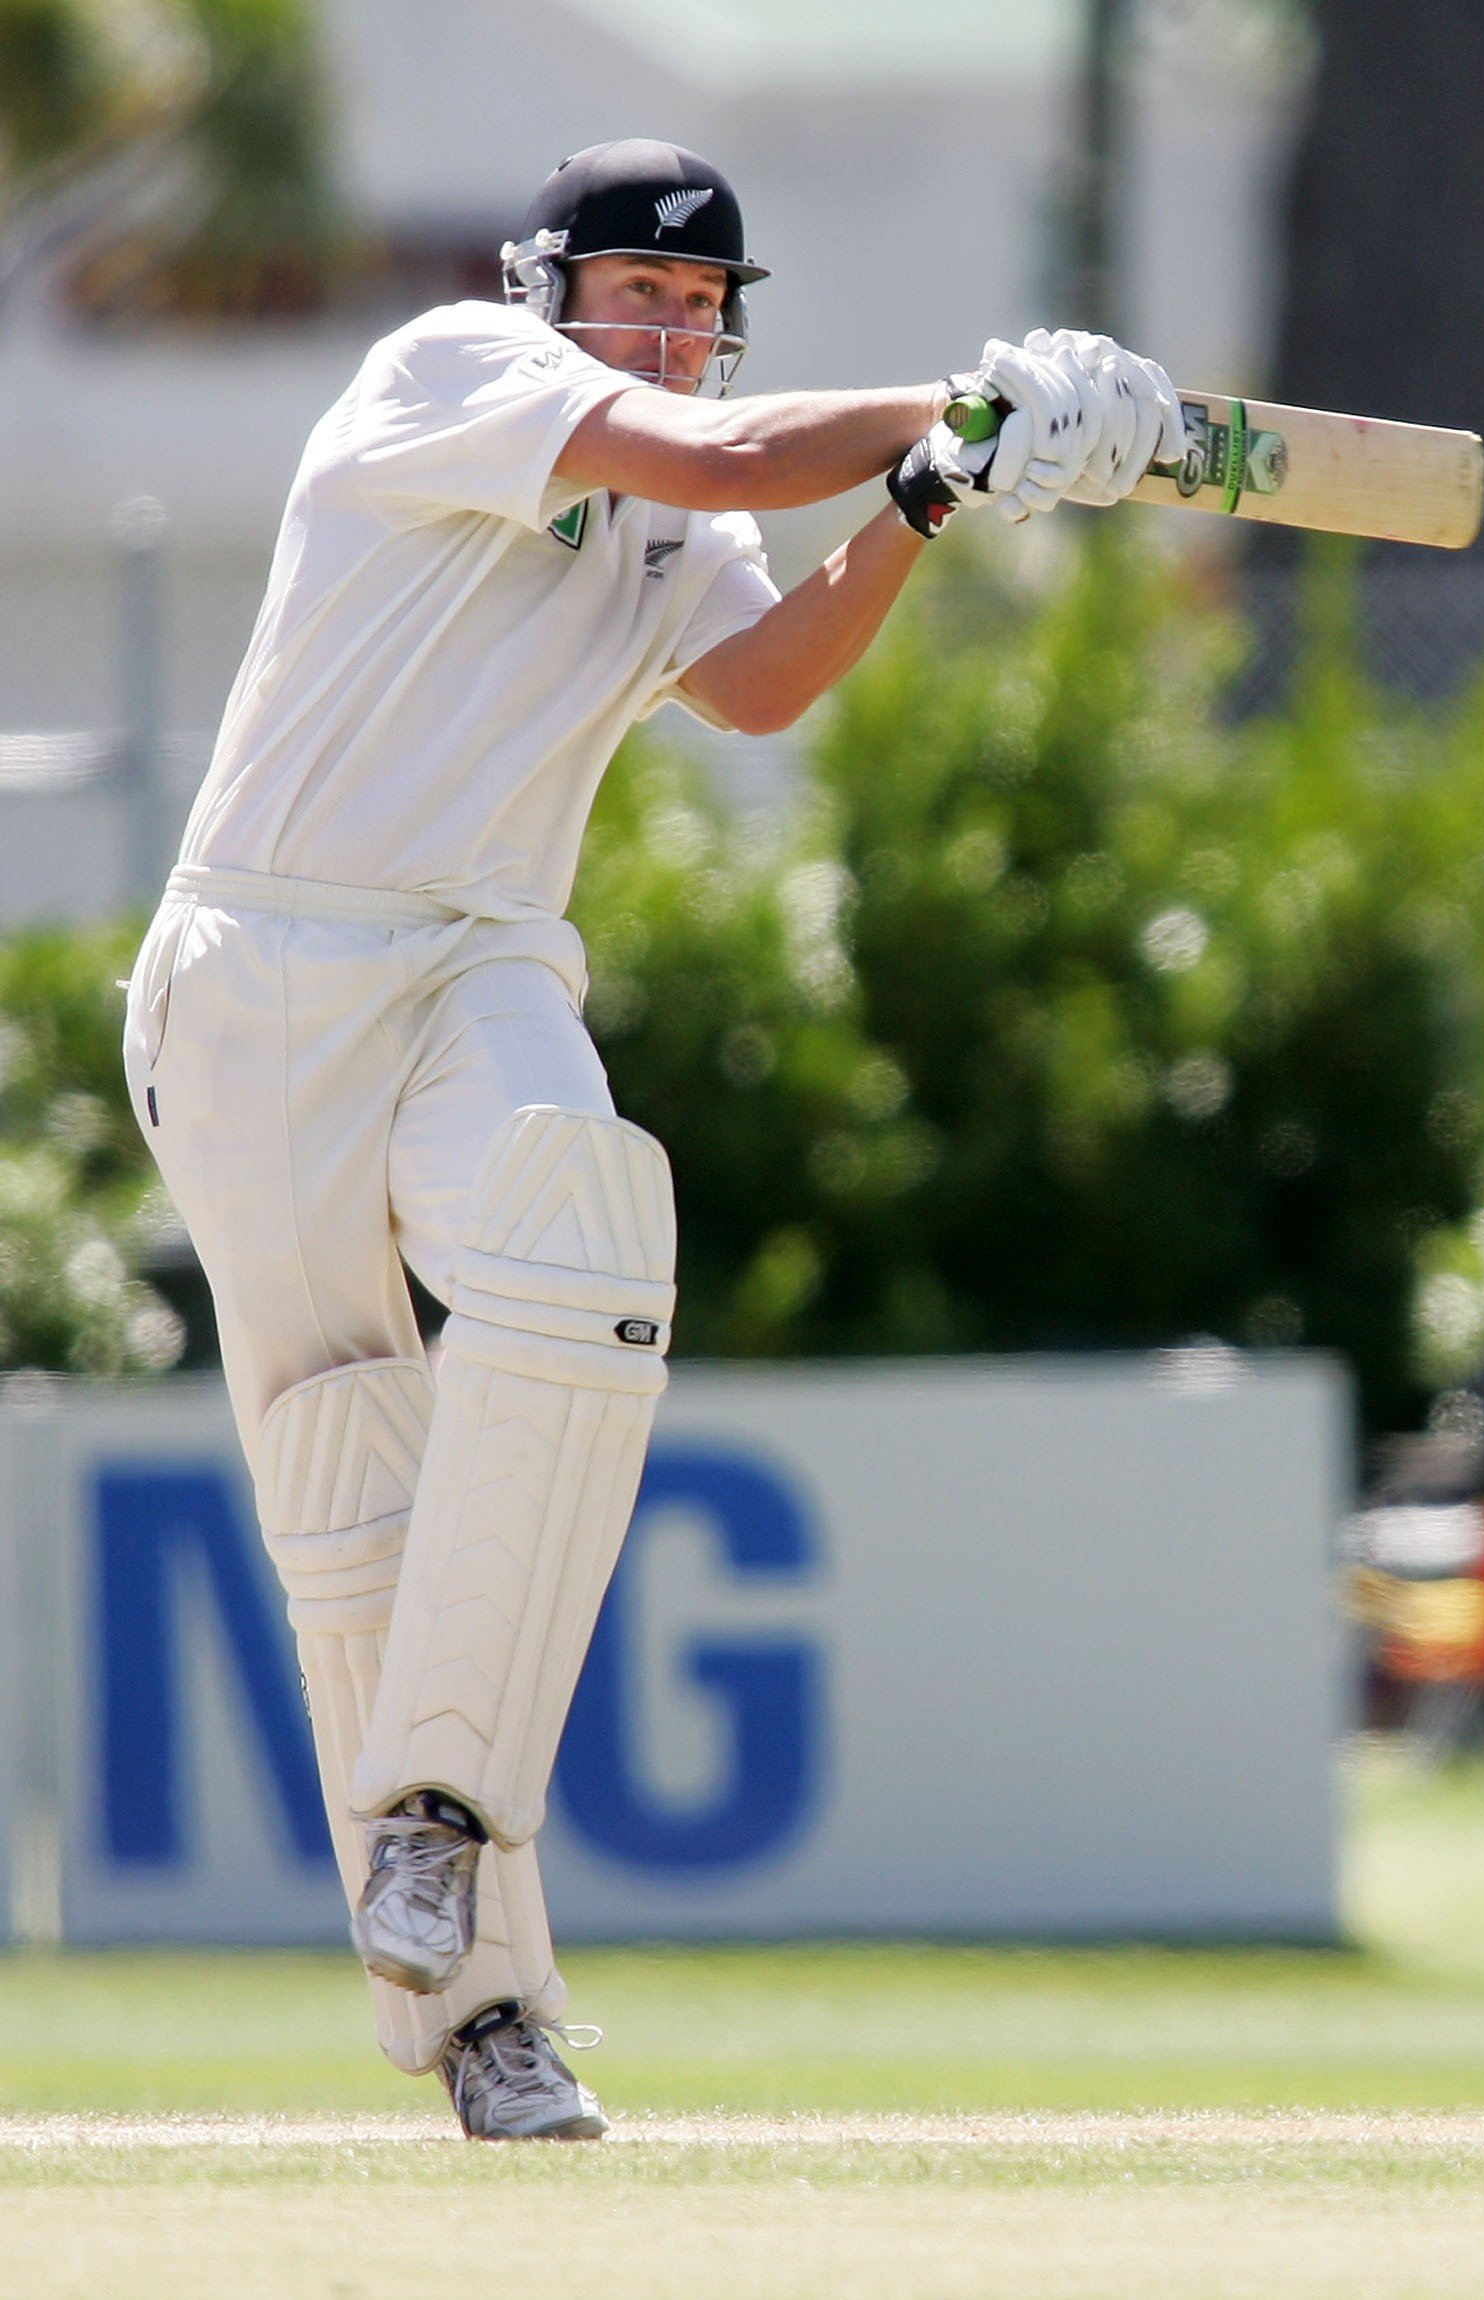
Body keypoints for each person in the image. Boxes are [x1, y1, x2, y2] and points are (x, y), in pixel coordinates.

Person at [120, 138, 1183, 2141]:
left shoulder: (676, 517)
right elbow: (707, 458)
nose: (671, 333)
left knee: (588, 1234)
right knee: (351, 1473)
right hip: (260, 968)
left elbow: (767, 682)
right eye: (637, 296)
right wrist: (954, 400)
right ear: (552, 293)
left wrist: (935, 494)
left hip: (480, 958)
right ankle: (482, 2021)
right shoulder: (454, 376)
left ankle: (439, 1809)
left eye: (701, 309)